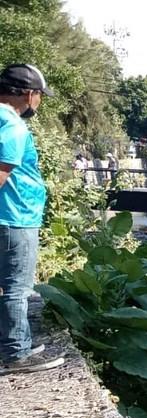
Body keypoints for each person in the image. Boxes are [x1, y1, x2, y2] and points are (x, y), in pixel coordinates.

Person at [0, 64, 63, 374]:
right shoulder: (12, 126)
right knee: (16, 287)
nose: (39, 102)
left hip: (9, 216)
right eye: (40, 95)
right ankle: (16, 354)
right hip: (15, 216)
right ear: (29, 94)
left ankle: (15, 341)